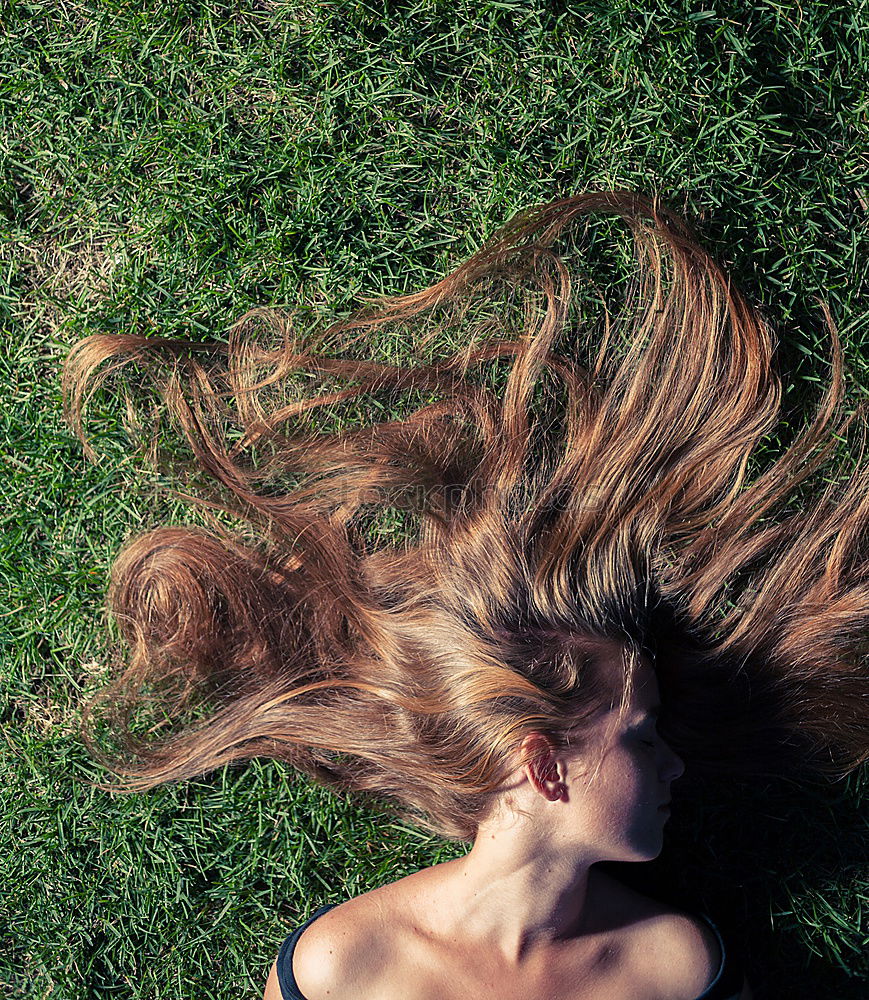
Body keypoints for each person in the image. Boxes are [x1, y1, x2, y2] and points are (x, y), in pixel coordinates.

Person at [64, 191, 869, 999]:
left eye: (648, 736)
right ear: (543, 763)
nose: (672, 762)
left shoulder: (675, 966)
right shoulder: (340, 967)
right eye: (642, 736)